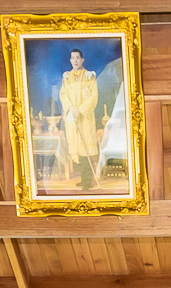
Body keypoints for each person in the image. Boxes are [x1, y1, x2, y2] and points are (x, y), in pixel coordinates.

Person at [57, 48, 100, 189]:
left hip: (84, 118)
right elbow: (63, 95)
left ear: (82, 60)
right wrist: (70, 108)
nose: (75, 60)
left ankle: (88, 181)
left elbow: (93, 97)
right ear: (70, 60)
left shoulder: (89, 76)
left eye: (77, 58)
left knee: (85, 148)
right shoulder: (67, 78)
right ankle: (84, 178)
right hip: (72, 118)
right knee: (77, 150)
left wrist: (80, 110)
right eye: (72, 58)